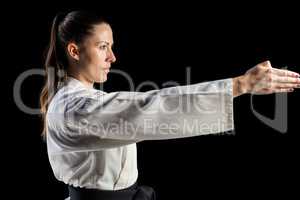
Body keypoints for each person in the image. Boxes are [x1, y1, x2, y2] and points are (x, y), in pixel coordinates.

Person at [40, 10, 300, 200]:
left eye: (111, 47)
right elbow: (147, 108)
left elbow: (141, 112)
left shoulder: (86, 100)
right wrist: (238, 85)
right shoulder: (71, 108)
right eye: (103, 47)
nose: (112, 57)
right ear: (74, 51)